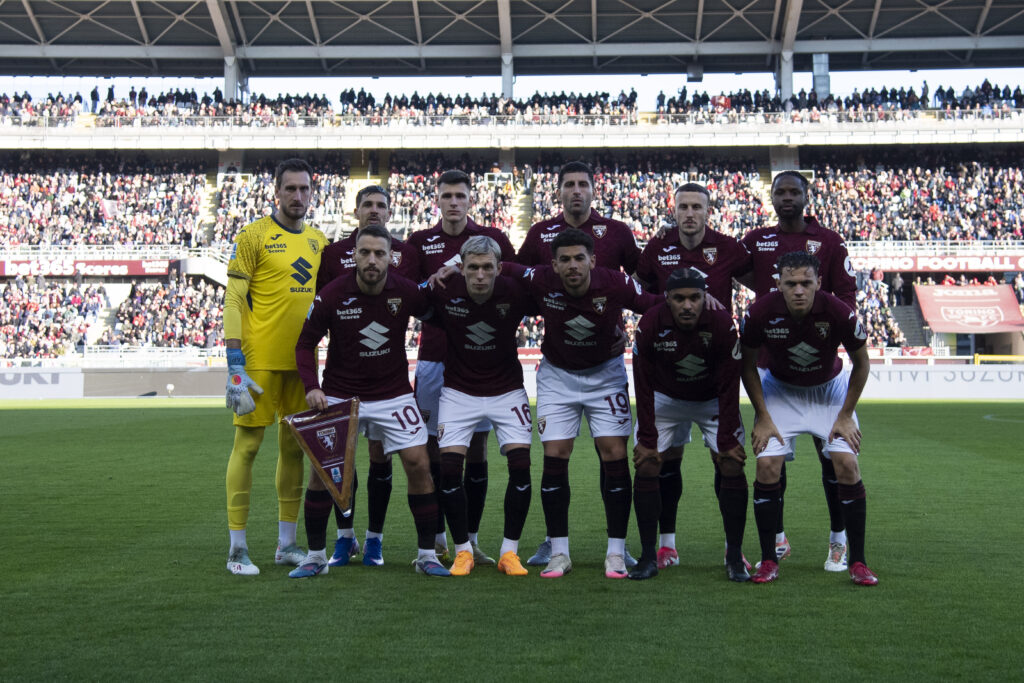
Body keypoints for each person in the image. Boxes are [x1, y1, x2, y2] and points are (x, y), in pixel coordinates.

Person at [291, 224, 449, 578]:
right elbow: (304, 344)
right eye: (365, 253)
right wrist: (311, 387)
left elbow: (440, 314)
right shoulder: (332, 294)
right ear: (355, 256)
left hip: (393, 394)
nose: (372, 260)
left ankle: (427, 555)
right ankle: (315, 557)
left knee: (419, 463)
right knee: (322, 473)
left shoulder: (405, 291)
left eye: (380, 253)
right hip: (340, 393)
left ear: (391, 257)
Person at [513, 228, 659, 579]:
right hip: (557, 376)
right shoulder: (540, 278)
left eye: (580, 258)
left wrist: (702, 299)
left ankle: (616, 553)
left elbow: (655, 305)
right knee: (555, 455)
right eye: (564, 260)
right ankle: (559, 553)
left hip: (605, 375)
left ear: (593, 260)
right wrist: (454, 267)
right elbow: (502, 266)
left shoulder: (616, 283)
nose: (573, 266)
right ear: (553, 265)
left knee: (614, 454)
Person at [739, 170, 857, 573]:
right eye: (780, 192)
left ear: (807, 196)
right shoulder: (757, 240)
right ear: (771, 197)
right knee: (774, 456)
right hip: (773, 366)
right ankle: (777, 537)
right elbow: (725, 268)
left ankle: (839, 539)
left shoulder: (829, 241)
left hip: (821, 369)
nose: (787, 197)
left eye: (794, 191)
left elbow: (846, 295)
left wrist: (820, 328)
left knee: (832, 459)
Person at [740, 251, 877, 586]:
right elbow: (747, 365)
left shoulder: (838, 312)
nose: (798, 290)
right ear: (778, 284)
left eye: (805, 282)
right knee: (766, 466)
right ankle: (769, 560)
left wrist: (845, 415)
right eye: (791, 283)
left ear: (818, 282)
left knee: (847, 464)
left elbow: (862, 363)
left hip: (829, 391)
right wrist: (762, 416)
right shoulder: (759, 312)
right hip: (781, 391)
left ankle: (858, 562)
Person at [634, 182, 752, 569]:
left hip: (712, 387)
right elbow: (638, 291)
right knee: (656, 460)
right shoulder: (657, 248)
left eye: (696, 207)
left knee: (729, 460)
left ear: (707, 211)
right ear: (673, 210)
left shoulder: (729, 248)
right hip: (667, 384)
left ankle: (734, 552)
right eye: (682, 206)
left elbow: (762, 282)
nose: (689, 213)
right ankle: (660, 548)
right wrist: (671, 303)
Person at [222, 158, 328, 576]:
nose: (298, 196)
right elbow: (234, 299)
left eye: (304, 189)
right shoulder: (253, 236)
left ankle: (287, 545)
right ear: (277, 192)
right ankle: (237, 549)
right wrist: (234, 360)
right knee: (247, 447)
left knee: (293, 450)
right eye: (291, 189)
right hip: (258, 364)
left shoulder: (319, 241)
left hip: (302, 366)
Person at [406, 170, 516, 564]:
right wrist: (434, 279)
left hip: (481, 361)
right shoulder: (420, 242)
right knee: (434, 448)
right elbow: (410, 296)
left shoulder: (493, 239)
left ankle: (470, 540)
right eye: (447, 195)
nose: (454, 202)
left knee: (478, 448)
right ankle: (439, 539)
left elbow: (515, 279)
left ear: (471, 200)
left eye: (460, 196)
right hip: (435, 359)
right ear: (437, 199)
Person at [314, 185, 420, 569]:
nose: (374, 210)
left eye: (381, 205)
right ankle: (345, 538)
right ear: (355, 211)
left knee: (381, 455)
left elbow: (420, 298)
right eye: (367, 205)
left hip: (388, 380)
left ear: (390, 213)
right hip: (343, 378)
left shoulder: (407, 254)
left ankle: (375, 539)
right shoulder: (333, 255)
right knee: (340, 461)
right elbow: (322, 307)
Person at [425, 236, 538, 576]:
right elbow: (403, 299)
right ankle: (463, 551)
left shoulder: (515, 292)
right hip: (459, 392)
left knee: (521, 467)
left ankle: (509, 553)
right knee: (448, 471)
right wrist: (434, 275)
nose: (479, 275)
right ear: (461, 269)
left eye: (487, 267)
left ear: (499, 269)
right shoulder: (444, 291)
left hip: (508, 391)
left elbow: (554, 290)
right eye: (472, 267)